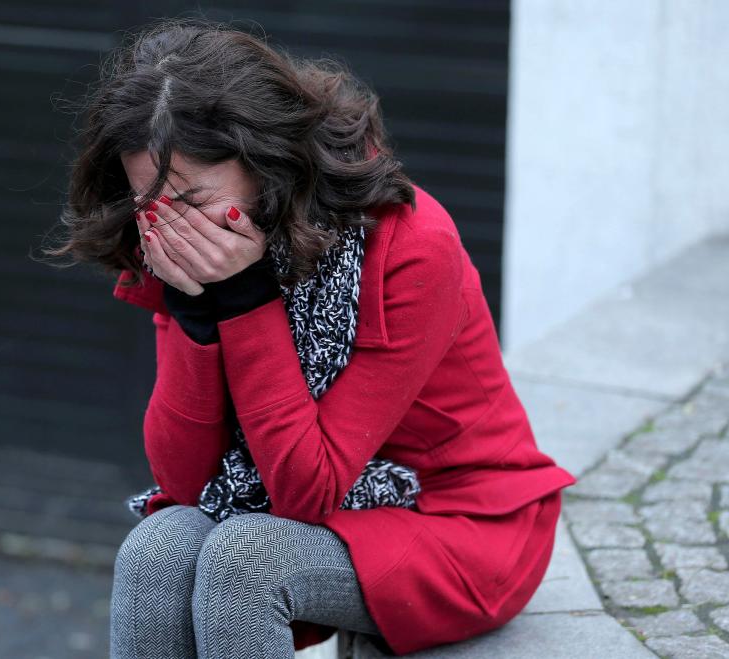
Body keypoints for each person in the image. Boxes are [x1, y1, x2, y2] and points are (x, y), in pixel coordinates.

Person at [43, 16, 577, 659]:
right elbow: (184, 482)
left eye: (193, 201)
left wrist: (244, 304)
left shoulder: (410, 247)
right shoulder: (189, 244)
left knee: (245, 561)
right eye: (149, 202)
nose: (171, 228)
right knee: (157, 546)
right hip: (318, 511)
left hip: (455, 521)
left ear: (266, 165)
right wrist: (194, 311)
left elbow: (305, 489)